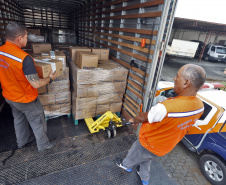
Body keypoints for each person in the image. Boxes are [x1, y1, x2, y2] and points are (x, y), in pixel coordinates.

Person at [116, 64, 206, 185]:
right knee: (146, 159)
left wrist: (133, 119)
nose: (174, 79)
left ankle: (126, 165)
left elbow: (143, 117)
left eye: (177, 76)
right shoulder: (200, 106)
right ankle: (145, 179)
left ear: (186, 83)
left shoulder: (165, 108)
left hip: (147, 143)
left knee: (134, 154)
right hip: (164, 147)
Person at [0, 22, 57, 152]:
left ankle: (22, 142)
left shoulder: (1, 52)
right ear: (19, 38)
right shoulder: (24, 58)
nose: (27, 39)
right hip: (25, 98)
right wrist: (50, 79)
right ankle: (43, 145)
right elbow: (35, 83)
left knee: (19, 119)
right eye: (26, 36)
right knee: (37, 121)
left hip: (9, 96)